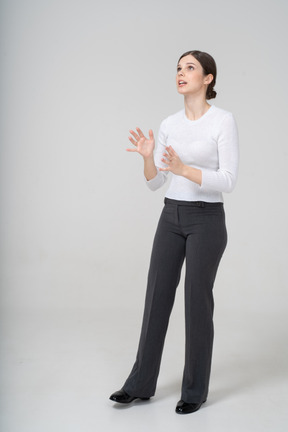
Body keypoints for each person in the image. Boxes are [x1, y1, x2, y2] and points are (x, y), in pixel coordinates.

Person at [109, 50, 239, 414]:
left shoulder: (222, 121)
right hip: (171, 216)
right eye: (178, 68)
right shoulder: (169, 123)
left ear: (208, 78)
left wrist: (185, 169)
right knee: (156, 299)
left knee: (197, 304)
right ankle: (139, 384)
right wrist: (149, 157)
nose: (181, 73)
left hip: (207, 219)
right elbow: (156, 184)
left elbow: (227, 180)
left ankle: (195, 391)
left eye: (190, 68)